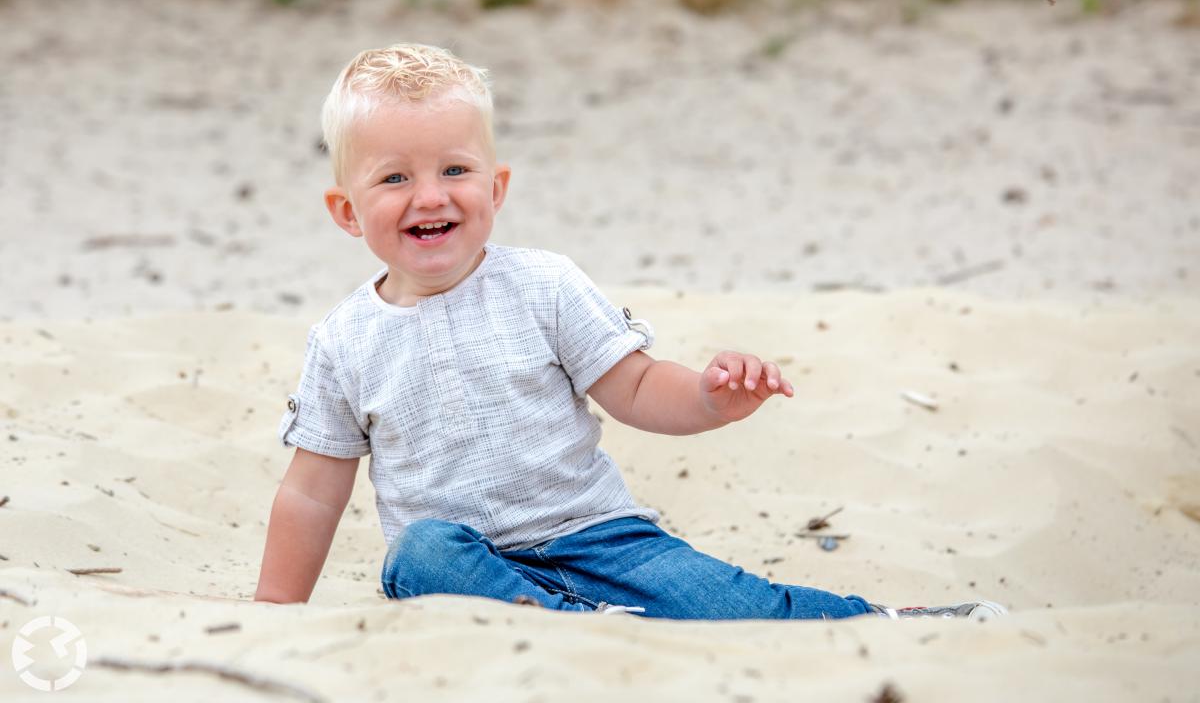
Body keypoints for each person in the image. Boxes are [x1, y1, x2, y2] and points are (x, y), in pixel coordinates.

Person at [253, 43, 1006, 622]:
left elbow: (638, 387)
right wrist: (273, 616)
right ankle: (575, 629)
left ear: (496, 187)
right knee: (421, 552)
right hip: (468, 568)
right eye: (394, 179)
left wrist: (711, 399)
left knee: (726, 600)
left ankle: (883, 623)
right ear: (347, 212)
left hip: (601, 538)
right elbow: (313, 494)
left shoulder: (542, 286)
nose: (430, 196)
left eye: (455, 169)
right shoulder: (344, 341)